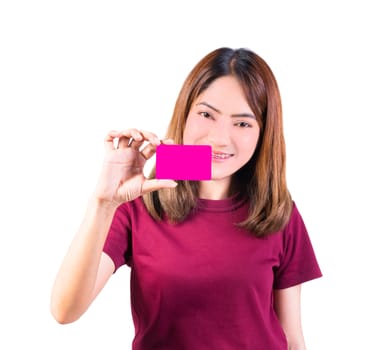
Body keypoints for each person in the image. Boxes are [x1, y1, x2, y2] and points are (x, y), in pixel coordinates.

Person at [50, 47, 322, 350]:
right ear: (185, 113)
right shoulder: (141, 203)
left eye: (242, 123)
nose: (220, 138)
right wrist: (104, 202)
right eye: (207, 115)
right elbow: (65, 311)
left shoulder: (276, 211)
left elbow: (292, 339)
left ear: (263, 133)